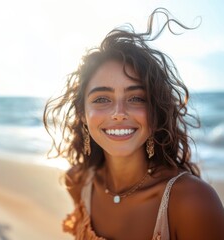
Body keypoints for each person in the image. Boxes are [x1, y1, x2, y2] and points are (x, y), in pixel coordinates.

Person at [43, 8, 224, 240]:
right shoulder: (78, 183)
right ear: (81, 113)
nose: (119, 113)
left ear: (155, 110)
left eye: (136, 98)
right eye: (102, 99)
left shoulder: (192, 202)